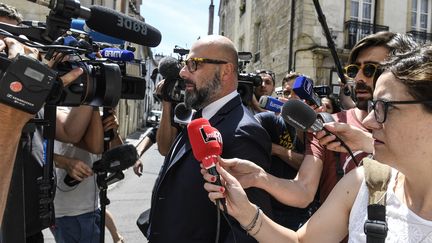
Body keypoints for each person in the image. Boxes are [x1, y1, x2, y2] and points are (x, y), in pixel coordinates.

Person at [203, 44, 432, 243]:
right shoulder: (366, 182)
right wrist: (246, 211)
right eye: (373, 106)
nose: (370, 121)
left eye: (385, 108)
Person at [146, 35, 273, 242]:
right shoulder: (199, 115)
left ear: (225, 71)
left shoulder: (244, 132)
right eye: (185, 64)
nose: (183, 72)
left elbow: (247, 231)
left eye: (193, 64)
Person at [52, 108, 124, 243]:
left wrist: (113, 133)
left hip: (92, 208)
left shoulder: (98, 115)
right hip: (68, 214)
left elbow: (119, 159)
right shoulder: (60, 111)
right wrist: (65, 163)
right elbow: (40, 152)